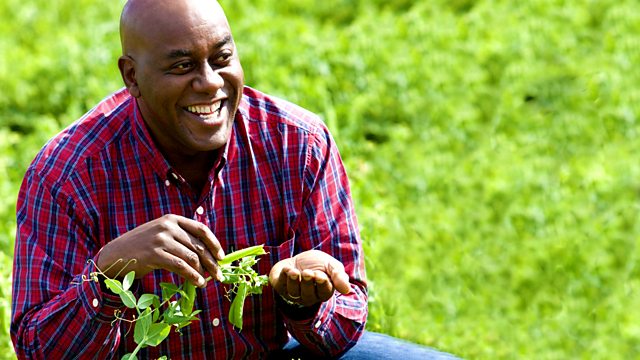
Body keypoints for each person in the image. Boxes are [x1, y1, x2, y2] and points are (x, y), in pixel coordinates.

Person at [11, 0, 458, 358]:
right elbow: (36, 345)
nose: (209, 83)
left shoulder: (296, 144)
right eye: (182, 67)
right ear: (132, 76)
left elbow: (345, 322)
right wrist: (110, 270)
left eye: (221, 58)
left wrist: (302, 300)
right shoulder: (70, 173)